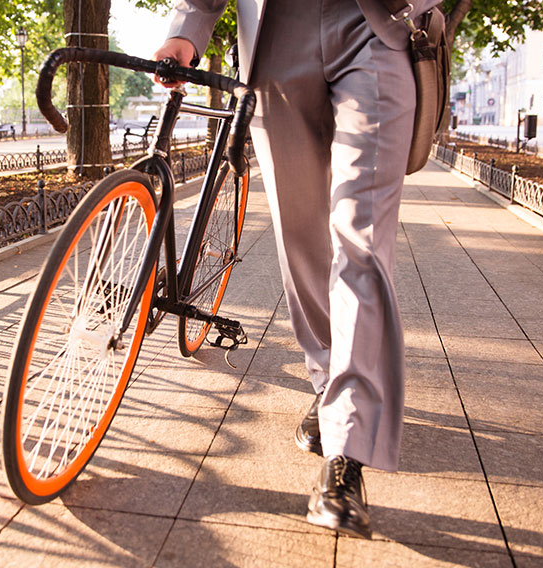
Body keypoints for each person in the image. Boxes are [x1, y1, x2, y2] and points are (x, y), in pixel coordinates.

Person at [154, 0, 440, 537]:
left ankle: (346, 449)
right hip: (274, 35)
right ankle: (331, 375)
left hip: (378, 25)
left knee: (361, 236)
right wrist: (189, 28)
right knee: (301, 232)